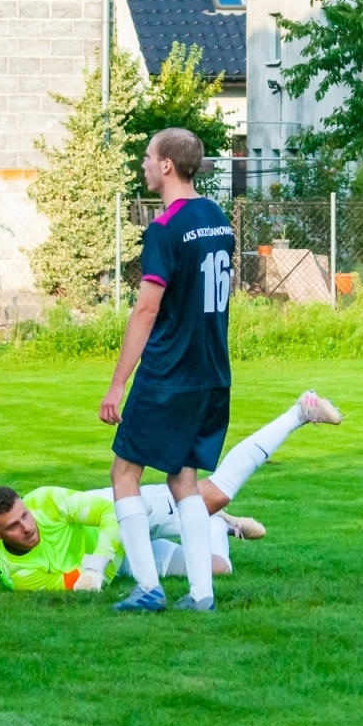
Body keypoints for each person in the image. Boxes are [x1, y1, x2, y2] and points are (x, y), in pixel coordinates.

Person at [0, 390, 343, 592]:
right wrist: (98, 574)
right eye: (14, 526)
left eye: (24, 515)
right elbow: (77, 586)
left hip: (125, 516)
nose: (27, 526)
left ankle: (299, 412)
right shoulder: (18, 575)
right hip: (122, 562)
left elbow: (111, 514)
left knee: (215, 493)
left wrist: (99, 561)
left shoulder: (44, 500)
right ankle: (218, 525)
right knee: (219, 569)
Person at [100, 128, 236, 613]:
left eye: (147, 156)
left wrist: (118, 383)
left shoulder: (165, 228)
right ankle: (201, 594)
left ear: (166, 167)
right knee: (183, 478)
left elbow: (146, 309)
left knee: (125, 472)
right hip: (212, 370)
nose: (142, 164)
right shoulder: (217, 218)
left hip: (169, 373)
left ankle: (149, 587)